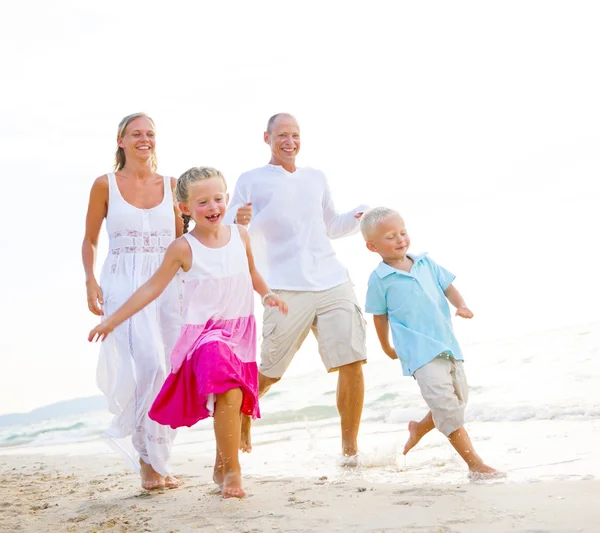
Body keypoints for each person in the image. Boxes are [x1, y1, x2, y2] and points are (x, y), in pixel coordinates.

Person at [89, 166, 288, 498]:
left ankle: (222, 466)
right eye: (202, 202)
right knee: (226, 382)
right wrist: (112, 319)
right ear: (184, 209)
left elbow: (251, 271)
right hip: (203, 335)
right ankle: (234, 474)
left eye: (218, 199)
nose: (212, 208)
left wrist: (267, 295)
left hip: (239, 328)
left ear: (226, 199)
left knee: (233, 396)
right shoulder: (182, 247)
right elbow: (150, 289)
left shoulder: (240, 234)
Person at [225, 113, 368, 462]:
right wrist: (237, 221)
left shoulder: (315, 177)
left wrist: (360, 215)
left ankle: (350, 450)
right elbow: (226, 230)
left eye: (295, 135)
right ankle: (243, 413)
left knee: (352, 361)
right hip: (285, 287)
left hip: (332, 279)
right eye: (282, 135)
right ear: (267, 138)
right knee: (270, 371)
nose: (290, 141)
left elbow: (331, 225)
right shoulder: (251, 180)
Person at [82, 112, 183, 490]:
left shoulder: (172, 185)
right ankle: (148, 462)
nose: (145, 139)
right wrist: (90, 279)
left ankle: (159, 459)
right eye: (136, 133)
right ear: (121, 141)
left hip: (167, 285)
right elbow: (90, 239)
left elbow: (181, 241)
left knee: (169, 368)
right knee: (148, 364)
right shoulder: (104, 184)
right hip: (122, 285)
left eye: (150, 134)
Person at [360, 207, 500, 478]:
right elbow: (380, 316)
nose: (400, 239)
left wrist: (462, 305)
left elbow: (448, 287)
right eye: (391, 237)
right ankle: (475, 464)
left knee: (458, 401)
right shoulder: (379, 279)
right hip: (418, 352)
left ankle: (420, 428)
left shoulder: (426, 263)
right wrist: (386, 346)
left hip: (447, 344)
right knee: (447, 408)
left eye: (403, 232)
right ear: (372, 246)